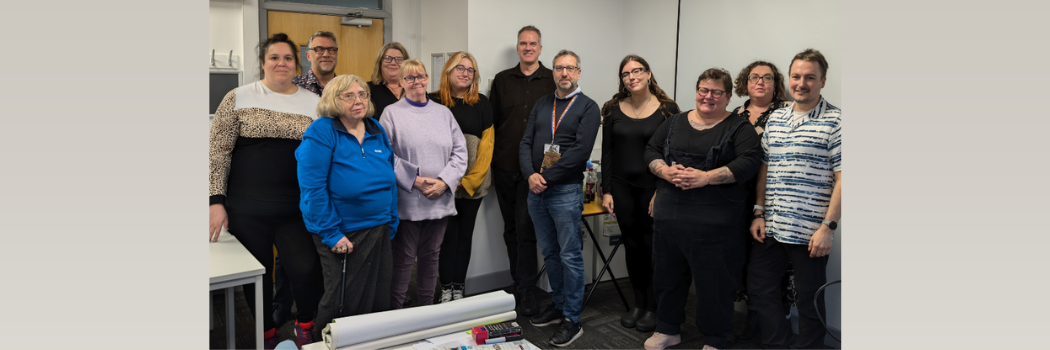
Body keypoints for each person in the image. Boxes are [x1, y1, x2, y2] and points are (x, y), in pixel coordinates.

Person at [208, 33, 324, 349]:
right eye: (274, 57)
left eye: (287, 58)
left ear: (296, 64)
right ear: (263, 62)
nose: (281, 63)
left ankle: (305, 327)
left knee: (306, 270)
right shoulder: (238, 97)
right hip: (246, 209)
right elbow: (218, 151)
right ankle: (266, 334)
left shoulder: (314, 104)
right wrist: (215, 202)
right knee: (258, 279)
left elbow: (325, 154)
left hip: (297, 209)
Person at [642, 68, 762, 350]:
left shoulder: (740, 128)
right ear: (696, 92)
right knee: (667, 278)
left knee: (715, 285)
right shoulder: (674, 123)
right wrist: (665, 171)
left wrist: (706, 177)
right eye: (703, 90)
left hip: (716, 226)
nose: (708, 97)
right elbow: (651, 151)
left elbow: (749, 163)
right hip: (670, 220)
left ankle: (715, 338)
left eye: (716, 92)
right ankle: (668, 329)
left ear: (728, 96)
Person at [748, 48, 841, 350]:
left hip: (810, 232)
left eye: (810, 77)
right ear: (788, 79)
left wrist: (828, 227)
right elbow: (765, 166)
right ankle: (778, 344)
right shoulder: (775, 119)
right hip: (772, 225)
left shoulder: (837, 121)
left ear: (822, 81)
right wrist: (759, 212)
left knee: (809, 298)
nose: (802, 83)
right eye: (796, 76)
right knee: (761, 289)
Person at [295, 74, 399, 341]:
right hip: (342, 233)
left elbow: (389, 180)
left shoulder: (376, 129)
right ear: (333, 99)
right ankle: (325, 344)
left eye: (362, 94)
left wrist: (392, 218)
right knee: (342, 301)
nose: (358, 101)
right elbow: (312, 189)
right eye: (349, 95)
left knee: (377, 297)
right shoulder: (322, 130)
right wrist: (331, 233)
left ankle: (370, 345)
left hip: (379, 229)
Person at [520, 50, 600, 347]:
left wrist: (545, 178)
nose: (564, 73)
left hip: (564, 191)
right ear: (552, 72)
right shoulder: (543, 103)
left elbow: (580, 153)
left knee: (570, 256)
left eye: (569, 68)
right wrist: (530, 175)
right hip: (536, 191)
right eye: (558, 68)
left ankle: (572, 319)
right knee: (551, 253)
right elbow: (526, 142)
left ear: (578, 72)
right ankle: (558, 304)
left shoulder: (589, 108)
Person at [599, 55, 681, 333]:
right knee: (632, 247)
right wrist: (606, 189)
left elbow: (672, 155)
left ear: (648, 74)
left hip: (654, 189)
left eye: (637, 71)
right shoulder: (612, 109)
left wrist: (663, 190)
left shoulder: (668, 110)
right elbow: (606, 152)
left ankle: (656, 307)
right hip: (621, 189)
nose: (632, 77)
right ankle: (639, 303)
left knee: (654, 249)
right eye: (626, 74)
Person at [379, 59, 468, 309]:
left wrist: (444, 182)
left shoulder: (443, 113)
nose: (416, 81)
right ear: (401, 82)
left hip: (439, 201)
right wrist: (414, 181)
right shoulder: (391, 114)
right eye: (410, 78)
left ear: (427, 79)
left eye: (421, 76)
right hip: (408, 203)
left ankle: (427, 313)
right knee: (404, 261)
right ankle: (395, 316)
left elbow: (461, 153)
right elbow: (385, 155)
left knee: (431, 260)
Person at [489, 25, 556, 315]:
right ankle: (519, 284)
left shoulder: (554, 79)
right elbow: (491, 125)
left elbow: (559, 127)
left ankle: (527, 291)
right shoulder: (503, 80)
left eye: (533, 43)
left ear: (541, 48)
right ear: (517, 48)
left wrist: (549, 170)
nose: (528, 47)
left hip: (537, 173)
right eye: (523, 43)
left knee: (527, 230)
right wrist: (489, 165)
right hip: (504, 166)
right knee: (511, 229)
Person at [728, 60, 794, 341]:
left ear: (776, 83)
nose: (760, 82)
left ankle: (770, 325)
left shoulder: (787, 112)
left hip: (774, 199)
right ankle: (751, 317)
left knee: (771, 265)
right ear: (745, 81)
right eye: (754, 77)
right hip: (737, 199)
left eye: (767, 78)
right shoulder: (735, 114)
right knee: (744, 261)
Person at [429, 52, 494, 303]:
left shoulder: (482, 103)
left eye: (470, 70)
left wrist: (469, 181)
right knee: (447, 237)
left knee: (465, 234)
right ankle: (446, 287)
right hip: (442, 184)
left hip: (472, 185)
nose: (465, 73)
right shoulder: (432, 101)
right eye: (460, 68)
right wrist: (447, 181)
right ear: (448, 71)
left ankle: (459, 287)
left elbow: (487, 147)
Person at [368, 42, 410, 120]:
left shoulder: (415, 88)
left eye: (399, 59)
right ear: (380, 63)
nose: (393, 63)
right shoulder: (367, 89)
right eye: (387, 58)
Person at [293, 31, 339, 95]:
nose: (326, 54)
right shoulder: (293, 86)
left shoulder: (347, 87)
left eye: (331, 50)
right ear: (308, 56)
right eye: (319, 49)